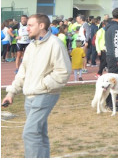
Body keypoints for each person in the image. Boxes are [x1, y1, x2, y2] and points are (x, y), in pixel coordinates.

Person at [3, 14, 72, 158]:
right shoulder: (31, 46)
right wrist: (11, 93)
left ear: (41, 26)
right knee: (39, 134)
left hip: (45, 94)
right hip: (30, 95)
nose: (27, 28)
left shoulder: (55, 44)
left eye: (30, 25)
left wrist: (44, 85)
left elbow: (63, 72)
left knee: (30, 132)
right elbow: (22, 72)